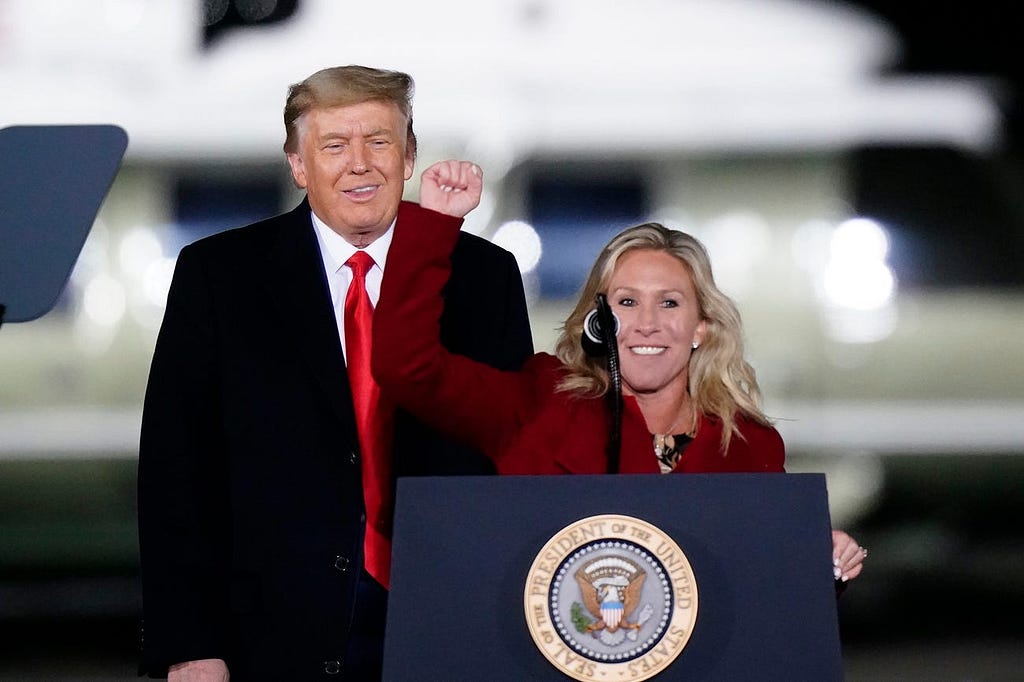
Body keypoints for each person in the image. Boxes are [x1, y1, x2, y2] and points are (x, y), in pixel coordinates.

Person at [136, 68, 533, 680]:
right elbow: (176, 472)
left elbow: (511, 456)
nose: (360, 165)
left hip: (446, 623)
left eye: (379, 141)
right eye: (333, 146)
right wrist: (189, 644)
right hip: (269, 634)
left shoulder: (484, 276)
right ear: (298, 164)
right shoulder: (218, 275)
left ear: (409, 158)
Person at [372, 160, 867, 589]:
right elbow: (406, 367)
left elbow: (764, 591)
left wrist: (821, 560)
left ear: (701, 328)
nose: (647, 323)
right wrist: (436, 223)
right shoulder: (535, 402)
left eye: (669, 303)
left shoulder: (749, 445)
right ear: (596, 321)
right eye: (627, 302)